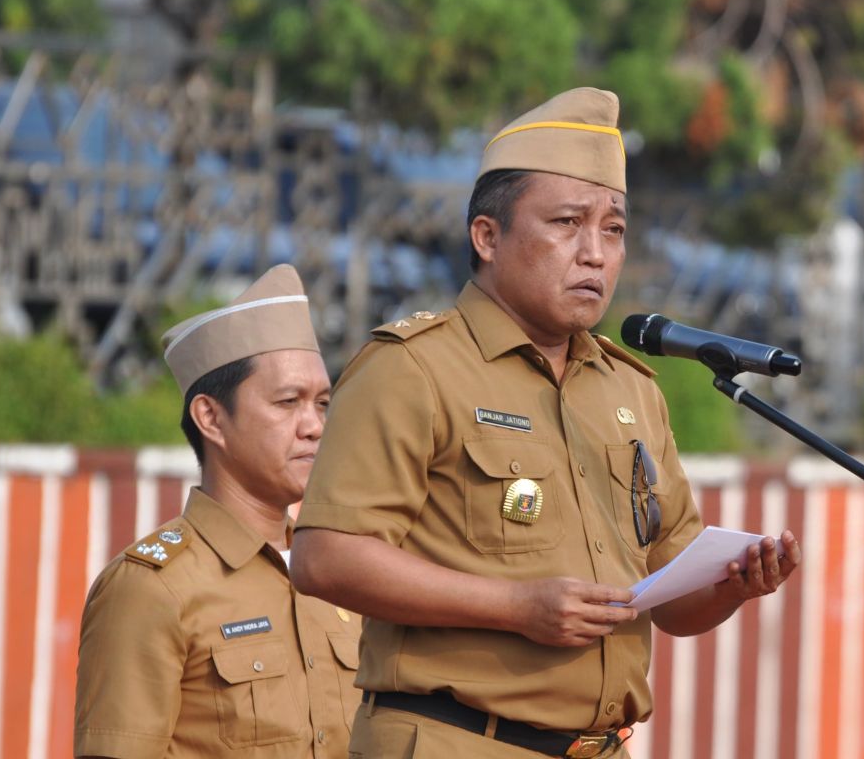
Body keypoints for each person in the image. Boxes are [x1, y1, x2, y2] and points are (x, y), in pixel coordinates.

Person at [290, 88, 801, 759]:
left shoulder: (631, 388)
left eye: (613, 230)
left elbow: (671, 600)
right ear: (488, 237)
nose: (595, 253)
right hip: (456, 739)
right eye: (567, 223)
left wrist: (731, 585)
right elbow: (326, 558)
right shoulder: (413, 368)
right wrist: (515, 607)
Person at [74, 264, 363, 759]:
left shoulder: (336, 571)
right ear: (211, 417)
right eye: (288, 401)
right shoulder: (151, 589)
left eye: (321, 403)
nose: (314, 426)